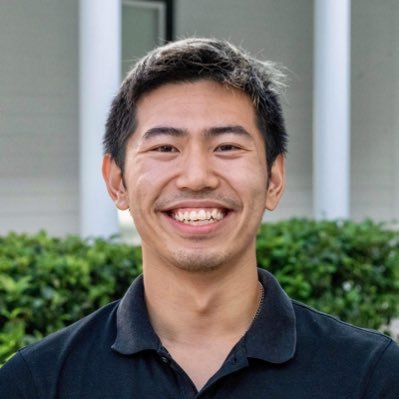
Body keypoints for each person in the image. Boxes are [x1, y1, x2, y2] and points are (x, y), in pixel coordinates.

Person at [1, 38, 398, 398]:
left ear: (274, 179)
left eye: (226, 146)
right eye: (165, 148)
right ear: (117, 181)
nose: (196, 177)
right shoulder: (37, 382)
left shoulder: (373, 377)